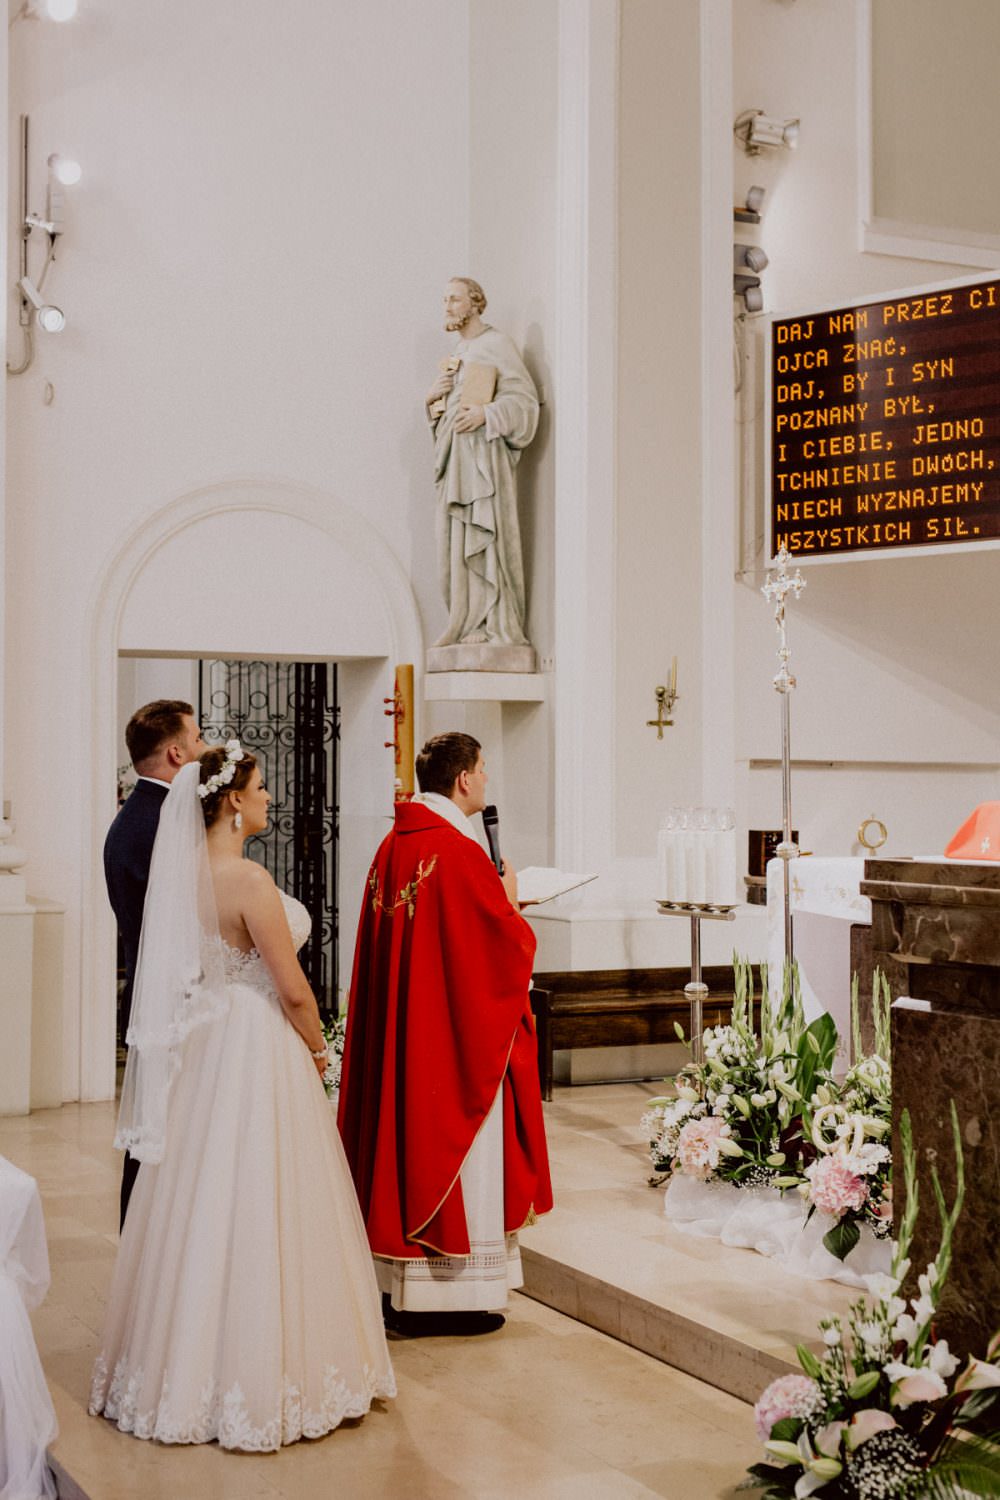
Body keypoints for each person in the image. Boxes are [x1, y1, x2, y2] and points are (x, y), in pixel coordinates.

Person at [89, 743, 395, 1449]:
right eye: (261, 789)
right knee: (266, 1194)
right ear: (232, 800)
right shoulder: (249, 880)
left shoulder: (184, 877)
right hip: (258, 1043)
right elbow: (291, 989)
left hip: (208, 1045)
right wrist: (322, 1049)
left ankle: (175, 1362)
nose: (269, 799)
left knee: (199, 1197)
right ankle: (266, 1367)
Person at [338, 731, 552, 1336]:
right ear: (464, 780)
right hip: (451, 1048)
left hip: (410, 1037)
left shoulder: (394, 845)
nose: (486, 782)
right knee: (460, 1151)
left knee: (400, 1142)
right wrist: (509, 903)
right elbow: (501, 950)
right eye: (484, 771)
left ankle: (393, 1284)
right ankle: (448, 1298)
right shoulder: (457, 854)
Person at [103, 699, 204, 1228]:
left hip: (157, 997)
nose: (206, 749)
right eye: (200, 738)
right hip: (170, 1002)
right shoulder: (158, 822)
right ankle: (146, 1250)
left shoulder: (140, 816)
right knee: (157, 1139)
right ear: (176, 752)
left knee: (155, 1137)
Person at [425, 278, 540, 648]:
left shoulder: (496, 345)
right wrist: (433, 401)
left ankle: (493, 623)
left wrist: (486, 415)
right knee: (453, 548)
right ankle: (465, 622)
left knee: (483, 539)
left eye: (454, 299)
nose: (447, 306)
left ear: (475, 303)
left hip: (483, 464)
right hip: (455, 460)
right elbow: (445, 415)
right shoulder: (458, 353)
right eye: (444, 299)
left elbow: (524, 404)